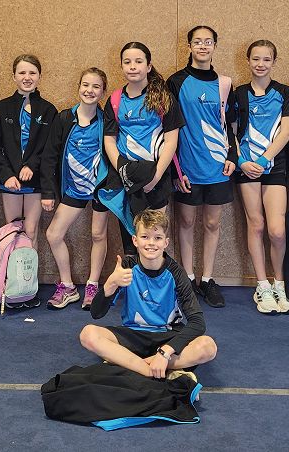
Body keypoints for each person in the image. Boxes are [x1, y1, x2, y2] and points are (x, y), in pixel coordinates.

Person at [80, 209, 216, 379]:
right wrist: (110, 284)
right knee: (88, 334)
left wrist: (165, 352)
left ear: (166, 242)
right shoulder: (127, 267)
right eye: (145, 237)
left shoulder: (176, 272)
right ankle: (154, 370)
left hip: (167, 336)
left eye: (157, 238)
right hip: (133, 335)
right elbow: (96, 313)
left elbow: (197, 322)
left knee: (208, 347)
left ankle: (133, 364)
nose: (151, 243)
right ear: (135, 240)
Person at [167, 26, 237, 308]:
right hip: (187, 167)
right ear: (190, 46)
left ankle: (207, 279)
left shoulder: (224, 83)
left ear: (215, 46)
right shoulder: (176, 82)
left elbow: (229, 124)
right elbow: (169, 128)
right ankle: (187, 278)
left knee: (212, 223)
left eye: (208, 41)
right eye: (198, 41)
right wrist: (175, 170)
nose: (203, 46)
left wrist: (232, 156)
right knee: (185, 222)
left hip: (218, 167)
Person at [0, 54, 57, 308]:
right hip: (10, 182)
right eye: (22, 73)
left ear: (39, 76)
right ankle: (10, 286)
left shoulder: (48, 110)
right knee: (13, 231)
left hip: (36, 181)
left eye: (32, 73)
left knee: (31, 231)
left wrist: (31, 167)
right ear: (14, 76)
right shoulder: (2, 107)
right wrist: (7, 174)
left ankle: (28, 289)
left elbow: (48, 148)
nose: (27, 78)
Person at [103, 42, 184, 256]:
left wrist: (155, 177)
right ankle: (134, 277)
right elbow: (109, 140)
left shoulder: (163, 98)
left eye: (138, 61)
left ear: (148, 66)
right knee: (132, 238)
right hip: (127, 177)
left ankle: (156, 276)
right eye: (127, 62)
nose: (132, 66)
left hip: (157, 177)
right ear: (121, 66)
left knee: (153, 238)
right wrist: (122, 170)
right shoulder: (115, 100)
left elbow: (171, 141)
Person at [235, 40, 289, 315]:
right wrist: (242, 162)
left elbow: (286, 132)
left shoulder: (284, 93)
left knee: (277, 230)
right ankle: (262, 285)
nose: (261, 64)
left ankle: (279, 284)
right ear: (248, 61)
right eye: (256, 59)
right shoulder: (238, 94)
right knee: (256, 225)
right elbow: (230, 132)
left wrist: (263, 161)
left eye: (266, 59)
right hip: (246, 168)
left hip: (274, 167)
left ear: (274, 62)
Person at [41, 68, 109, 310]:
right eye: (85, 85)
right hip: (74, 188)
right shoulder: (64, 119)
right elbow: (49, 156)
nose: (89, 90)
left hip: (100, 188)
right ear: (78, 87)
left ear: (103, 92)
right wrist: (48, 192)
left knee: (98, 235)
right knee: (53, 234)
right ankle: (68, 287)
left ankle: (92, 285)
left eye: (96, 87)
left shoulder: (107, 121)